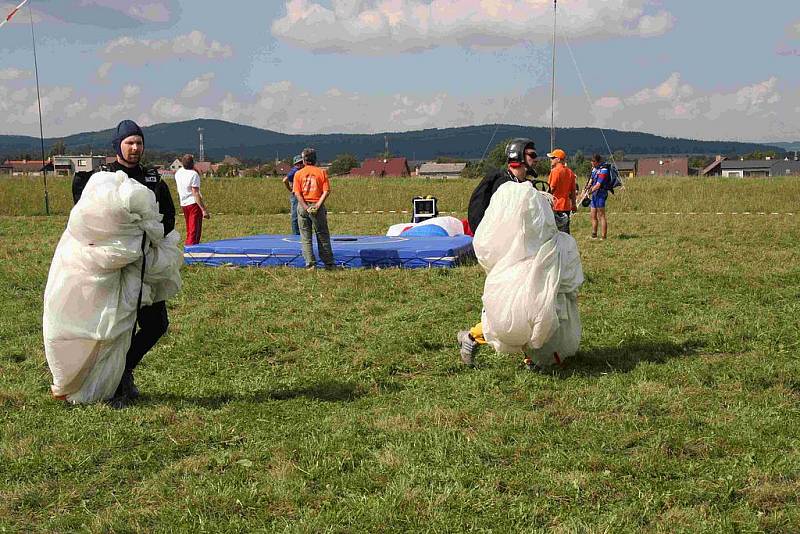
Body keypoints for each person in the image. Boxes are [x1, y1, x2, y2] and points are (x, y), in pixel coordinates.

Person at [72, 119, 176, 406]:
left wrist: (150, 236)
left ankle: (124, 369)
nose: (134, 148)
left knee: (157, 324)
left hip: (147, 264)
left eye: (138, 143)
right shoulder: (102, 178)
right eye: (129, 142)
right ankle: (113, 386)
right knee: (120, 327)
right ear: (118, 145)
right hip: (115, 268)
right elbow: (87, 217)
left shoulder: (153, 179)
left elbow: (168, 216)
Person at [459, 138, 538, 366]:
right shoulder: (503, 185)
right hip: (505, 256)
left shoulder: (520, 183)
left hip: (521, 253)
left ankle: (529, 356)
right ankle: (472, 337)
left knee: (526, 303)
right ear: (519, 157)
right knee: (509, 307)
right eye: (531, 154)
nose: (536, 159)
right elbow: (502, 225)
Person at [293, 147, 335, 269]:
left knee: (306, 236)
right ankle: (329, 263)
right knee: (322, 235)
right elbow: (326, 191)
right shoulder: (321, 172)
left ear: (304, 161)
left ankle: (310, 264)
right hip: (317, 206)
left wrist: (306, 207)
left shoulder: (298, 174)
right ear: (315, 160)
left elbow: (297, 193)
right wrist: (318, 205)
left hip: (303, 206)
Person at [174, 154, 210, 245]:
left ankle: (189, 247)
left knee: (189, 228)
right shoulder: (194, 175)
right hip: (193, 204)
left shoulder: (178, 173)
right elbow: (195, 193)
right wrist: (204, 210)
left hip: (184, 203)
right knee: (194, 230)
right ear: (193, 164)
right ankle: (191, 250)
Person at [546, 148, 577, 234]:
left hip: (556, 206)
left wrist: (544, 200)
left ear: (558, 159)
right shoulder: (570, 172)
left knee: (554, 231)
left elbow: (551, 188)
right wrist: (574, 204)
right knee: (565, 231)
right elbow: (573, 191)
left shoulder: (555, 171)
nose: (550, 160)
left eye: (552, 158)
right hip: (566, 206)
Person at [589, 154, 610, 240]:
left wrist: (590, 191)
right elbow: (591, 181)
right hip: (594, 195)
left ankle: (603, 236)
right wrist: (586, 188)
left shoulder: (603, 170)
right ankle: (594, 234)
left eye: (593, 161)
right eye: (591, 161)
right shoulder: (594, 170)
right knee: (593, 215)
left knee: (601, 215)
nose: (591, 163)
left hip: (601, 194)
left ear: (598, 162)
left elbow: (598, 185)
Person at [282, 154, 304, 235]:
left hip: (301, 193)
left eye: (302, 162)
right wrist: (290, 189)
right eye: (299, 163)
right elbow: (285, 180)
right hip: (295, 194)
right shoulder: (295, 170)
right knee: (295, 215)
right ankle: (296, 234)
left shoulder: (300, 170)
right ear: (295, 164)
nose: (301, 164)